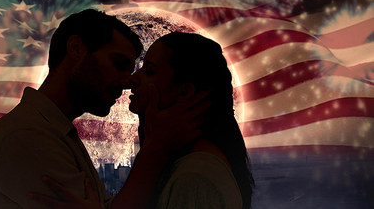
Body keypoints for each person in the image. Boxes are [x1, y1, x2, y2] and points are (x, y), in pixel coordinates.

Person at [0, 10, 209, 209]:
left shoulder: (55, 130)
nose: (128, 82)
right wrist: (155, 149)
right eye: (118, 64)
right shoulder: (27, 136)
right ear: (76, 48)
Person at [29, 32, 254, 209]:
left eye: (149, 72)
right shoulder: (177, 163)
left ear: (183, 92)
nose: (132, 81)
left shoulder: (195, 177)